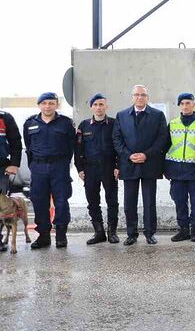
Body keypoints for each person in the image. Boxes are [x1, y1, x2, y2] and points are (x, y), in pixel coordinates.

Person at [112, 85, 169, 246]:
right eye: (136, 95)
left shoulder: (157, 115)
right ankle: (131, 234)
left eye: (143, 95)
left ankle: (150, 233)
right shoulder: (122, 115)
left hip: (149, 164)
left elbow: (162, 139)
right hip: (128, 164)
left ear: (147, 97)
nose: (140, 97)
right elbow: (117, 139)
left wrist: (146, 155)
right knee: (129, 202)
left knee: (149, 201)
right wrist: (129, 155)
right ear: (132, 97)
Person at [23, 92, 76, 249]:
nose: (47, 106)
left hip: (59, 167)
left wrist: (63, 164)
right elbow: (28, 146)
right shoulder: (30, 123)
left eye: (51, 103)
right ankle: (43, 236)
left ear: (56, 105)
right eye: (44, 103)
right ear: (39, 105)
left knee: (61, 201)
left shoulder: (66, 123)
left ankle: (61, 235)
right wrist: (34, 165)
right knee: (39, 201)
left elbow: (71, 146)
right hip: (38, 168)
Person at [75, 93, 120, 245]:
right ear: (91, 107)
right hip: (90, 169)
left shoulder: (114, 124)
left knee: (112, 201)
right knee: (93, 202)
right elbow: (78, 149)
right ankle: (99, 232)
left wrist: (118, 166)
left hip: (109, 168)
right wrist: (80, 169)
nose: (98, 107)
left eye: (101, 104)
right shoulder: (84, 125)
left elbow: (120, 147)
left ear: (106, 106)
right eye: (95, 105)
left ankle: (112, 232)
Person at [164, 93, 195, 242]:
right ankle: (183, 230)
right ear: (179, 106)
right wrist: (166, 169)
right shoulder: (173, 124)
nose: (185, 106)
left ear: (193, 105)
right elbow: (165, 146)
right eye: (182, 103)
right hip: (176, 170)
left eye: (188, 103)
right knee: (179, 201)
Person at [0, 107, 23, 252]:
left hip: (1, 167)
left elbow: (15, 142)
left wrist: (14, 163)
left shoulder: (5, 117)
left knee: (1, 206)